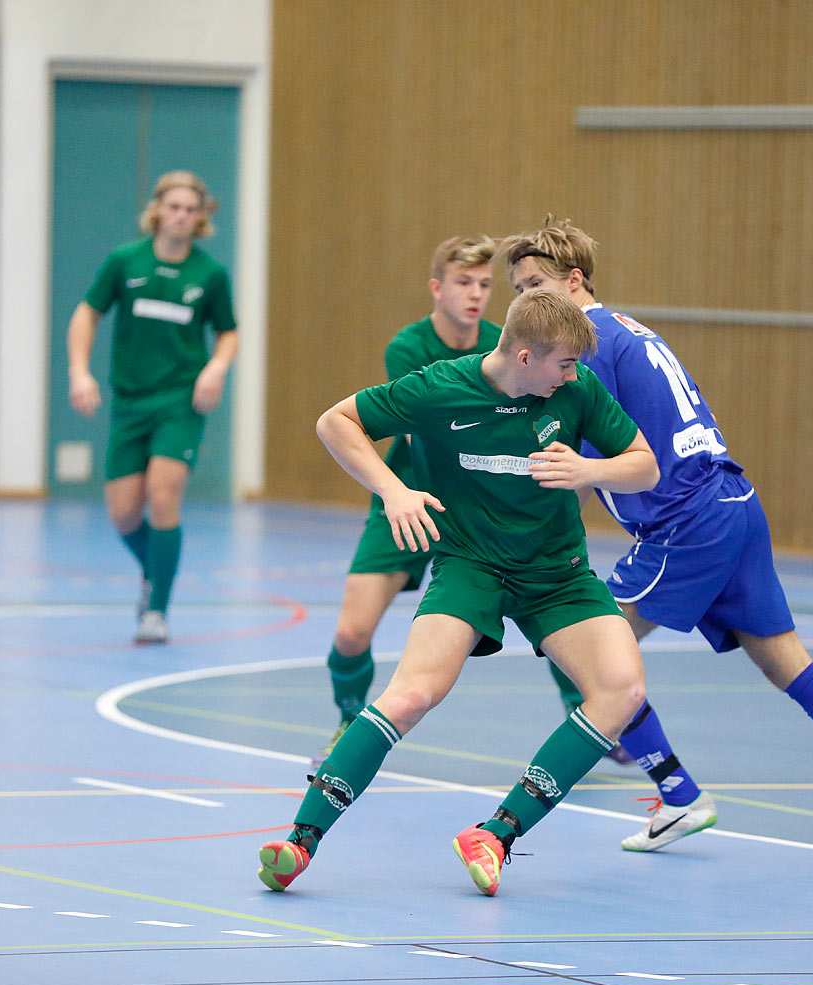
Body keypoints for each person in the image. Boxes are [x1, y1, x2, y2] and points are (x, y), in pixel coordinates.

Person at [498, 218, 813, 858]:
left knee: (590, 650)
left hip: (685, 520)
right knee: (787, 663)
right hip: (732, 502)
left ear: (574, 281)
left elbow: (584, 469)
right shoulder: (630, 331)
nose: (527, 300)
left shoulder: (585, 350)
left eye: (537, 284)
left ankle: (679, 795)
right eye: (518, 289)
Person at [257, 287, 659, 897]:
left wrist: (593, 469)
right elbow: (335, 421)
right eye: (564, 363)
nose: (573, 374)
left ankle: (496, 834)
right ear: (525, 357)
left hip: (557, 570)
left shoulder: (576, 392)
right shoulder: (441, 388)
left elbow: (645, 463)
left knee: (622, 689)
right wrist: (394, 489)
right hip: (471, 563)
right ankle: (300, 840)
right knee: (414, 693)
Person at [310, 235, 503, 768]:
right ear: (437, 288)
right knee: (351, 632)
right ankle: (350, 719)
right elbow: (424, 431)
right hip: (404, 500)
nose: (476, 294)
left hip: (478, 510)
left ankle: (594, 716)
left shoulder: (503, 344)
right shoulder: (409, 347)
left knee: (546, 611)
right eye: (464, 283)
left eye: (486, 284)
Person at [66, 170, 238, 644]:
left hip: (180, 403)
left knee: (163, 496)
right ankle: (156, 571)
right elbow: (87, 313)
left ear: (201, 217)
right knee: (123, 514)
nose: (181, 216)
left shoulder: (210, 274)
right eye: (174, 207)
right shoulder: (125, 261)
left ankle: (155, 610)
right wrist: (79, 372)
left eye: (191, 209)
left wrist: (216, 367)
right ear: (158, 210)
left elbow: (228, 331)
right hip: (130, 402)